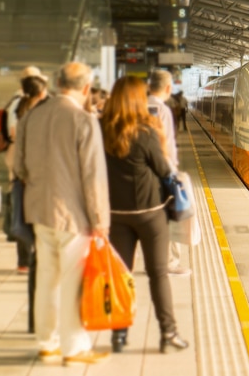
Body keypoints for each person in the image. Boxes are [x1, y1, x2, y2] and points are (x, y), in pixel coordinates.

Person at [14, 62, 111, 366]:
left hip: (40, 211)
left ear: (57, 83)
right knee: (72, 282)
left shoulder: (32, 116)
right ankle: (74, 348)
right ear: (85, 88)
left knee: (46, 279)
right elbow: (93, 177)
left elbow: (18, 167)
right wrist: (101, 222)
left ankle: (47, 344)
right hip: (74, 217)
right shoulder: (83, 120)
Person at [100, 75, 189, 354]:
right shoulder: (147, 130)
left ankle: (119, 335)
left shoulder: (101, 128)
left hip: (116, 214)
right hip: (150, 213)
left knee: (121, 275)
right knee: (158, 274)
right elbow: (164, 170)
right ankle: (168, 333)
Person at [4, 66, 48, 275]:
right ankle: (27, 258)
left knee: (22, 208)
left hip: (19, 163)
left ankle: (26, 259)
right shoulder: (23, 105)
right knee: (25, 209)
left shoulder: (16, 104)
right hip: (27, 165)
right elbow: (14, 133)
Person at [148, 70, 190, 276]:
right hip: (161, 172)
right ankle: (170, 262)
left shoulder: (136, 107)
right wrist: (173, 172)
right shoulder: (162, 110)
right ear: (167, 88)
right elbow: (166, 147)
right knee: (169, 218)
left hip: (141, 173)